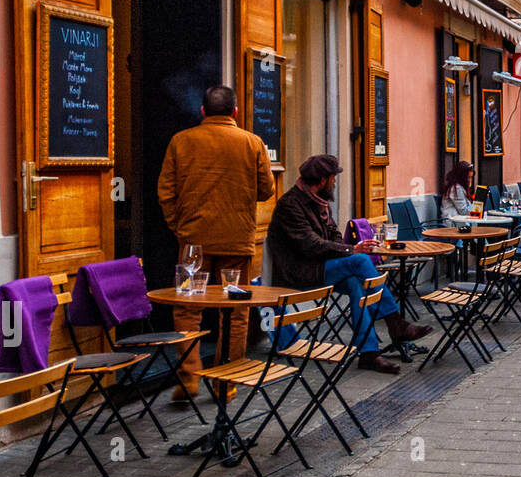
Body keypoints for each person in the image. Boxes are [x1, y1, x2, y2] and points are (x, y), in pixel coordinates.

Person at [158, 85, 275, 398]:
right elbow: (266, 190)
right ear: (235, 112)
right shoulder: (253, 143)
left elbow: (166, 193)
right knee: (236, 312)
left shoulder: (181, 141)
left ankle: (189, 378)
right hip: (237, 243)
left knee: (187, 309)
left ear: (203, 111)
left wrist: (181, 230)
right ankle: (225, 383)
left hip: (193, 244)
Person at [268, 154, 432, 374]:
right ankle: (396, 324)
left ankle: (369, 353)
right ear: (323, 179)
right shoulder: (291, 204)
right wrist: (352, 250)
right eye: (334, 177)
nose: (336, 182)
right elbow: (309, 245)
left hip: (319, 269)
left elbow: (334, 237)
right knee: (360, 261)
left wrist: (354, 247)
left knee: (357, 283)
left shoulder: (318, 202)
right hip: (298, 273)